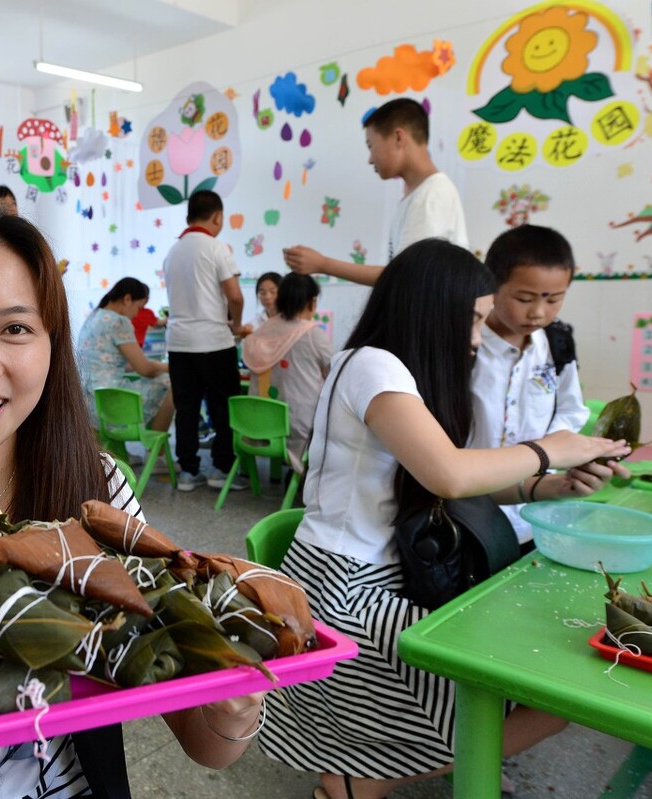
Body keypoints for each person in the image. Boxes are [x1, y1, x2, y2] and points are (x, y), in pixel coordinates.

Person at [0, 204, 266, 799]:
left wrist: (233, 707)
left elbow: (203, 743)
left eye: (15, 329)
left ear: (52, 345)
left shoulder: (96, 486)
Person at [255, 239, 629, 799]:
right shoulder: (371, 365)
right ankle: (358, 777)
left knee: (538, 695)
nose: (478, 338)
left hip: (379, 577)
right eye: (474, 321)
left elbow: (455, 481)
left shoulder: (399, 371)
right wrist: (551, 448)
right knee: (534, 694)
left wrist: (546, 485)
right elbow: (448, 475)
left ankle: (359, 777)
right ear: (435, 310)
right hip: (342, 590)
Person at [471, 225, 590, 544]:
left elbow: (571, 410)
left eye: (554, 299)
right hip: (469, 507)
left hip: (535, 507)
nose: (538, 312)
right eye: (524, 298)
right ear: (491, 285)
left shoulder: (557, 344)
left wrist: (559, 451)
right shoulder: (468, 342)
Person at [282, 98, 468, 287]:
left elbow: (405, 277)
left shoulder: (430, 195)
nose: (370, 159)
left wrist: (323, 264)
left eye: (371, 146)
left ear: (398, 138)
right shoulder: (419, 195)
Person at [162, 189, 248, 492]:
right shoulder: (216, 248)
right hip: (213, 340)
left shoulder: (173, 252)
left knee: (186, 407)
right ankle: (221, 471)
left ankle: (188, 471)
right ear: (218, 216)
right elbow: (235, 295)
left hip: (179, 342)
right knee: (222, 406)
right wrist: (236, 324)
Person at [241, 273, 331, 462]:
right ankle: (303, 481)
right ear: (311, 302)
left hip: (260, 424)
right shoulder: (314, 335)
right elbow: (334, 374)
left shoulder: (261, 331)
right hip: (301, 427)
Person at [77, 277, 174, 433]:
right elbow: (145, 369)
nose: (137, 314)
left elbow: (109, 363)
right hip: (112, 401)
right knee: (174, 382)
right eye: (139, 307)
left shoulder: (94, 316)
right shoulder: (119, 322)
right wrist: (173, 367)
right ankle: (156, 448)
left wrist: (148, 366)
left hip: (88, 401)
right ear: (127, 299)